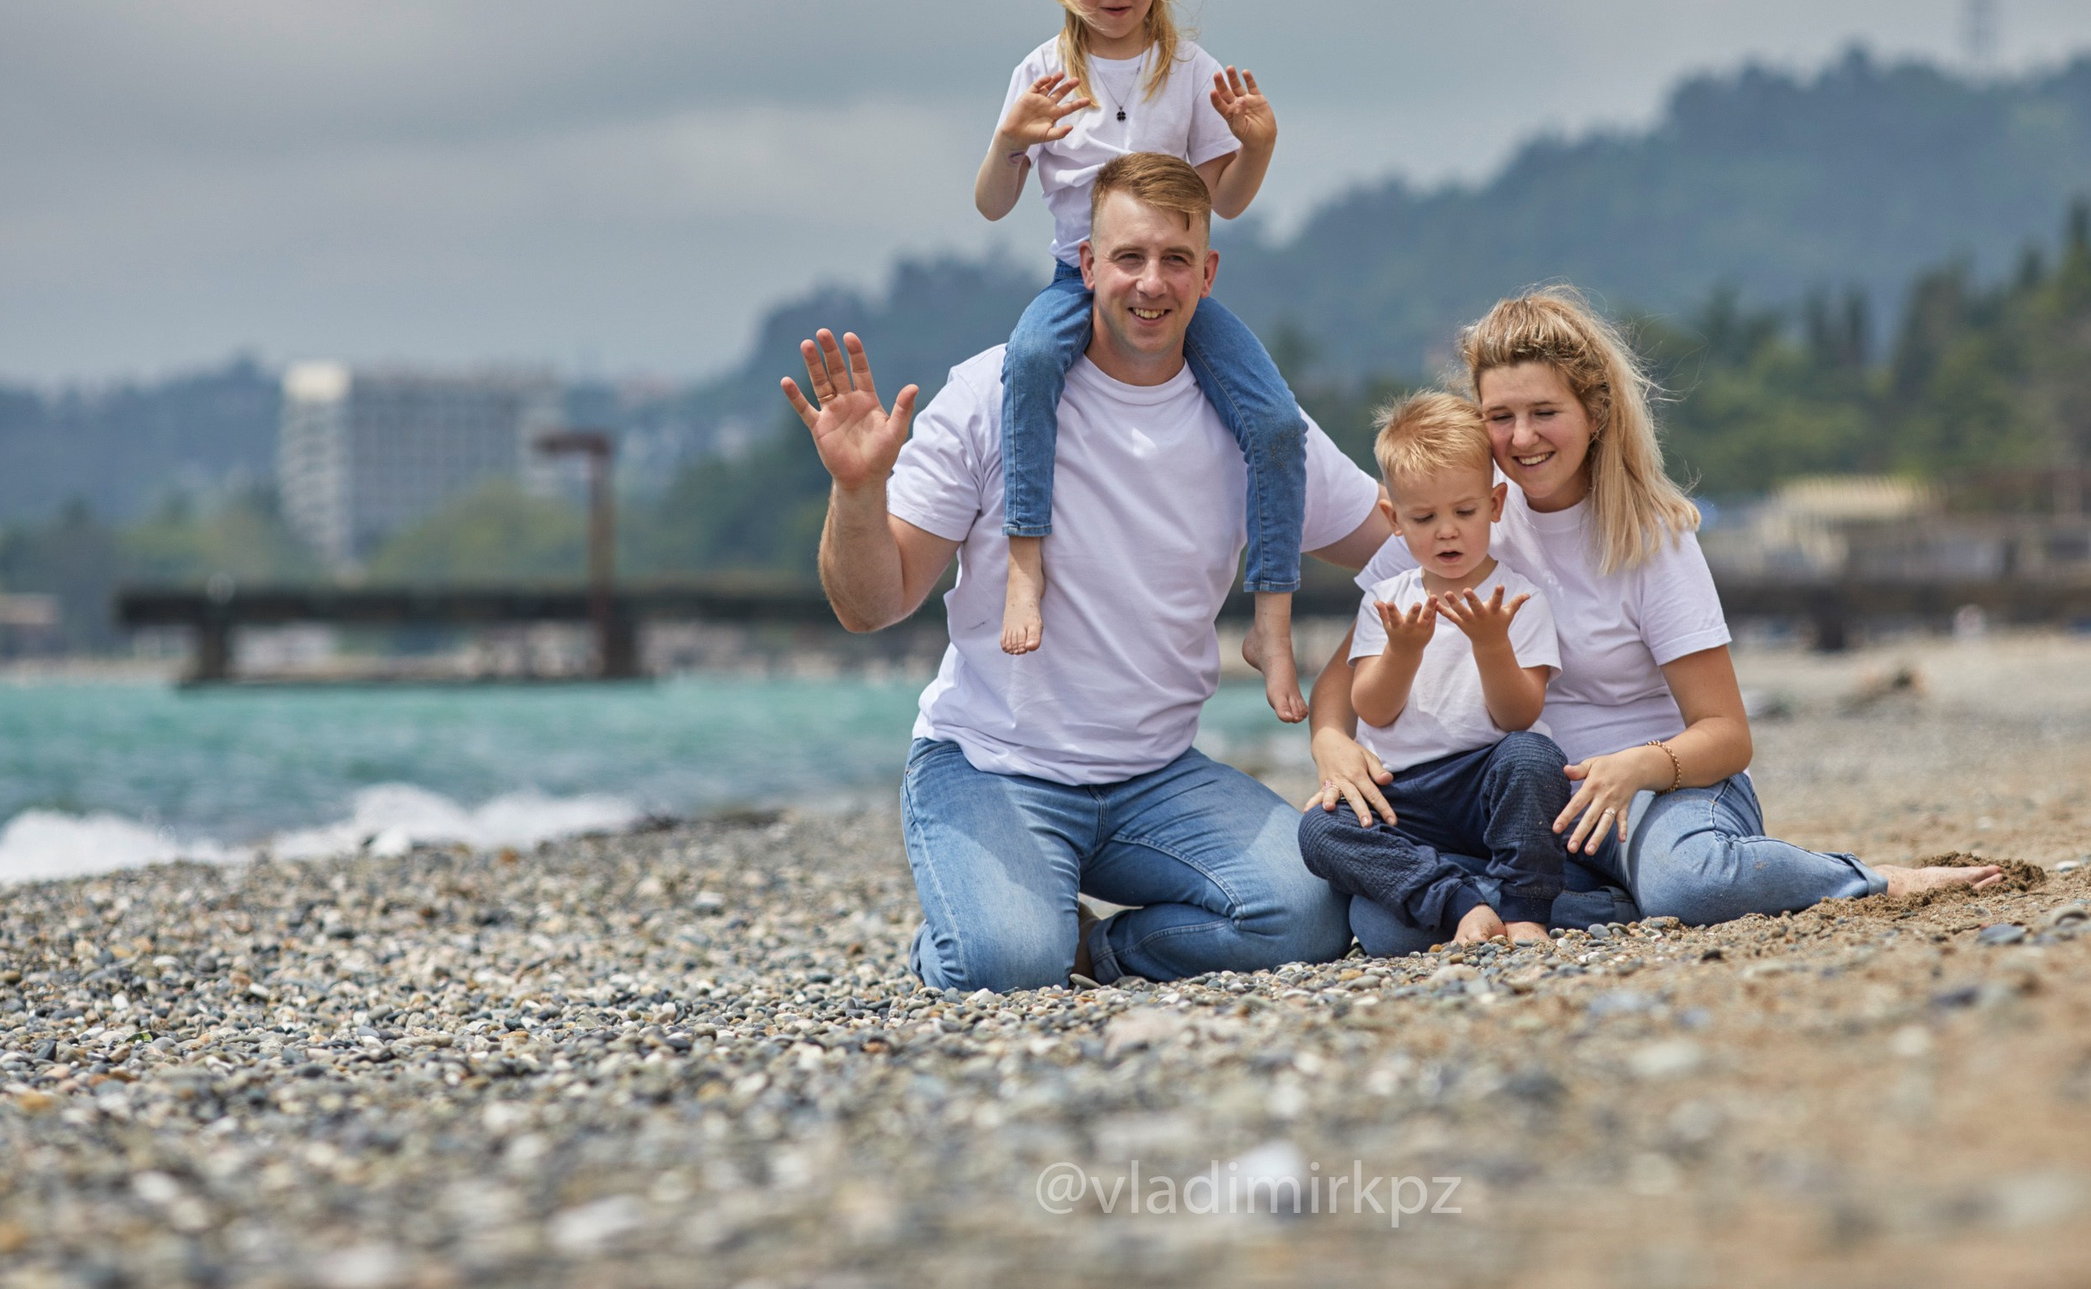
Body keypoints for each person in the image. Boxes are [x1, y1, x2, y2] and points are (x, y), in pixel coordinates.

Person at [788, 153, 1390, 992]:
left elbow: (1407, 548)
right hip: (991, 763)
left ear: (1208, 273)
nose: (1152, 283)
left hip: (1158, 776)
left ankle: (1095, 950)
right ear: (1087, 264)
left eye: (1176, 259)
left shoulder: (1258, 425)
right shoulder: (988, 395)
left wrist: (1527, 498)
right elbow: (872, 603)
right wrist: (857, 491)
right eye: (1129, 258)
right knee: (1001, 962)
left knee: (1311, 913)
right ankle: (1005, 928)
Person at [1306, 288, 2001, 941]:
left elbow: (1727, 735)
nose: (1522, 438)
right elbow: (1344, 677)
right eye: (1500, 416)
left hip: (1664, 792)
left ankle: (1864, 877)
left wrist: (1636, 766)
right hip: (1531, 813)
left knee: (1689, 882)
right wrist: (1333, 746)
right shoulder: (1460, 515)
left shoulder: (1650, 536)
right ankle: (1612, 904)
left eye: (1545, 412)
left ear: (1595, 413)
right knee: (1384, 925)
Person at [968, 0, 1309, 722]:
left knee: (1275, 420)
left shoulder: (1188, 73)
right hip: (1077, 280)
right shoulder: (1041, 73)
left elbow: (1222, 198)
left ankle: (1271, 618)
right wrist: (1011, 139)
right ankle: (1026, 565)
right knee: (1032, 364)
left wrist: (1259, 143)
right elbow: (993, 205)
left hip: (1179, 284)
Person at [1298, 392, 1571, 949]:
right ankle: (1459, 902)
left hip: (1486, 781)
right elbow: (1372, 709)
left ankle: (1524, 909)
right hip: (1407, 791)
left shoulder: (1519, 599)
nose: (1446, 531)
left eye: (1465, 513)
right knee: (1321, 829)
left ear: (1496, 505)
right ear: (1394, 520)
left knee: (1534, 757)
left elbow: (1520, 715)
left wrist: (1492, 645)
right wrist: (1402, 651)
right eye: (1424, 518)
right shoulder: (1385, 599)